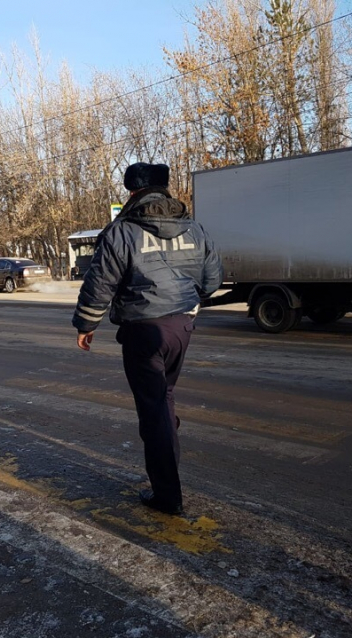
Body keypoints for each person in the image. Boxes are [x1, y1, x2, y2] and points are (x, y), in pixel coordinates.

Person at [72, 162, 222, 515]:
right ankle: (167, 436)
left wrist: (86, 325)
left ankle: (168, 496)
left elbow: (100, 283)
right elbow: (213, 277)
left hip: (143, 331)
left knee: (153, 412)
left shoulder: (121, 231)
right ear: (165, 189)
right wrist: (189, 301)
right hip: (182, 328)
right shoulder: (194, 229)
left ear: (132, 192)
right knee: (163, 397)